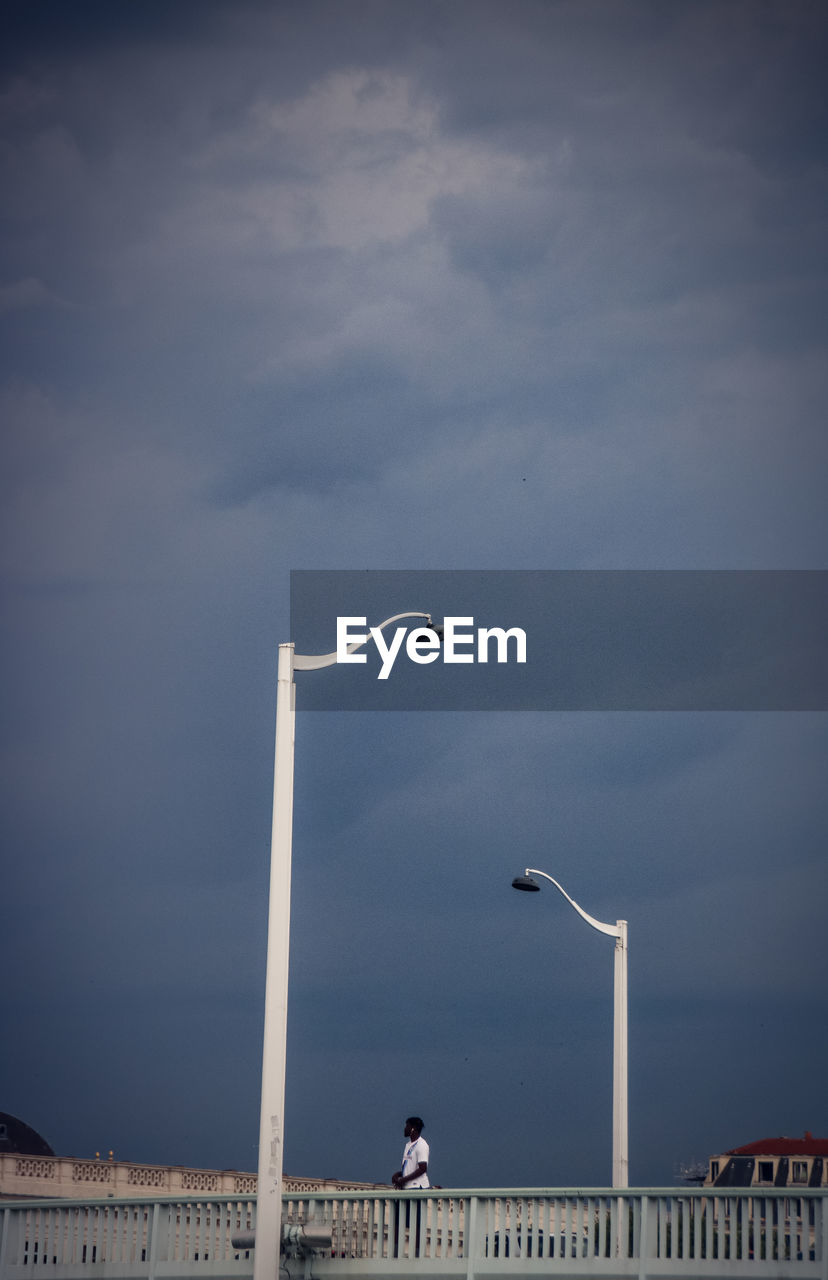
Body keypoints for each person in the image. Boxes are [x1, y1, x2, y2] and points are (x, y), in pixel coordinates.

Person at [392, 1116, 430, 1189]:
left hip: (418, 1187)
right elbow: (411, 1169)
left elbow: (422, 1169)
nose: (405, 1129)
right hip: (407, 1187)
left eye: (407, 1126)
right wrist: (399, 1175)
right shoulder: (408, 1145)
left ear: (413, 1128)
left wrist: (403, 1180)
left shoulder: (422, 1144)